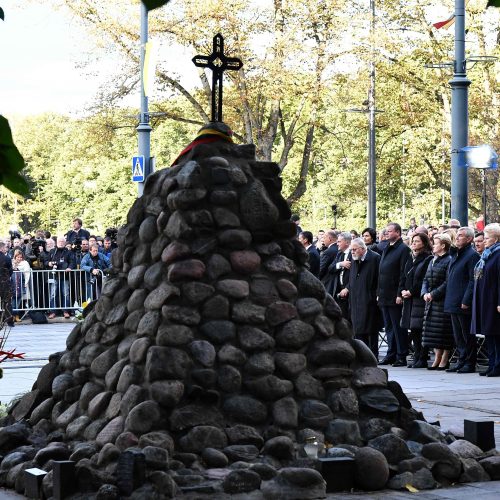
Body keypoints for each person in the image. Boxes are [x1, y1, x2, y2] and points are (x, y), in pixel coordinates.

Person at [444, 227, 480, 373]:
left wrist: (466, 300)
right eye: (457, 235)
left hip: (463, 302)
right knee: (458, 335)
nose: (457, 238)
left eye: (461, 236)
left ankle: (469, 362)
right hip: (453, 300)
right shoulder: (456, 254)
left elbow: (473, 281)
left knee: (467, 335)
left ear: (469, 239)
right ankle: (461, 359)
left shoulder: (472, 255)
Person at [378, 222, 411, 367]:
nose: (387, 233)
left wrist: (399, 293)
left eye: (390, 231)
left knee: (398, 327)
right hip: (384, 294)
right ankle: (391, 353)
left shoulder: (403, 249)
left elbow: (403, 273)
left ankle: (401, 355)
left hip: (394, 294)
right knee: (389, 326)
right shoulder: (387, 247)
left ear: (398, 233)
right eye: (386, 231)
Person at [471, 223, 500, 377]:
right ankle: (491, 363)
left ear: (495, 239)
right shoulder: (487, 254)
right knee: (488, 333)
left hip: (493, 300)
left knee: (496, 333)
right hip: (484, 298)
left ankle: (498, 365)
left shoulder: (498, 254)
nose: (484, 241)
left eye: (487, 238)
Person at [421, 233, 454, 370]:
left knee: (443, 332)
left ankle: (444, 359)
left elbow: (448, 282)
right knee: (433, 333)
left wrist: (433, 294)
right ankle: (437, 357)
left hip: (442, 301)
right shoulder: (432, 260)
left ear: (443, 245)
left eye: (435, 243)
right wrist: (424, 293)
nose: (433, 246)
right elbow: (425, 279)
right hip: (431, 301)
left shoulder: (449, 260)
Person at [401, 233, 433, 368]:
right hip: (409, 299)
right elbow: (404, 276)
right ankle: (416, 355)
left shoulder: (427, 259)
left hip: (419, 299)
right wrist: (402, 290)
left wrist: (411, 291)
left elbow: (423, 279)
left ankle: (422, 357)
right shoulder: (410, 258)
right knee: (413, 329)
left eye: (417, 241)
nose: (413, 243)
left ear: (424, 243)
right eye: (412, 241)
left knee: (420, 329)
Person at [347, 237, 381, 358]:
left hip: (369, 299)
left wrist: (375, 295)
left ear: (362, 249)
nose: (352, 252)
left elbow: (379, 279)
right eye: (351, 250)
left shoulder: (375, 258)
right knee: (358, 329)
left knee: (370, 329)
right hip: (355, 299)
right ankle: (361, 356)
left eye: (354, 250)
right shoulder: (353, 258)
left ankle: (372, 356)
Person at [46, 236, 76, 319]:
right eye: (59, 241)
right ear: (56, 243)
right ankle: (52, 312)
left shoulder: (68, 252)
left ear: (65, 242)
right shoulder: (52, 251)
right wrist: (49, 263)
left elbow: (72, 262)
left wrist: (69, 267)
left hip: (65, 276)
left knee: (66, 294)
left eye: (63, 241)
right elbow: (45, 261)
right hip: (54, 276)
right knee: (53, 294)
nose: (61, 243)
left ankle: (65, 311)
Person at [328, 232, 352, 319]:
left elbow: (357, 275)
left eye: (339, 241)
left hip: (350, 290)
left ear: (347, 242)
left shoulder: (353, 254)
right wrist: (341, 264)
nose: (337, 244)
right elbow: (330, 268)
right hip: (339, 289)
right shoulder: (339, 253)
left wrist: (348, 288)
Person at [11, 248, 31, 321]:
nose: (19, 258)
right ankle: (13, 316)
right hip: (13, 285)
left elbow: (27, 274)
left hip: (21, 285)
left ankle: (16, 316)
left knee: (18, 301)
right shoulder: (12, 262)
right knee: (13, 302)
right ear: (15, 257)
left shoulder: (25, 263)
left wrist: (26, 283)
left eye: (20, 257)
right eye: (18, 257)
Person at [0, 241, 14, 327]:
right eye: (5, 247)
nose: (6, 249)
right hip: (4, 283)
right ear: (1, 248)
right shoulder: (7, 258)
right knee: (7, 302)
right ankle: (9, 321)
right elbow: (10, 271)